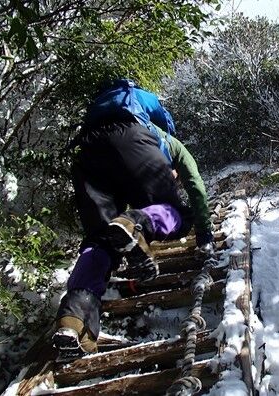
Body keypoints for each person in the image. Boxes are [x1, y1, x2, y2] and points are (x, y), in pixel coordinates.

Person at [52, 79, 214, 357]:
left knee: (100, 240)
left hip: (87, 154)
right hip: (134, 143)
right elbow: (196, 186)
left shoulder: (99, 113)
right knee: (177, 215)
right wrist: (205, 233)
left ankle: (74, 320)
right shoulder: (165, 138)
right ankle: (138, 223)